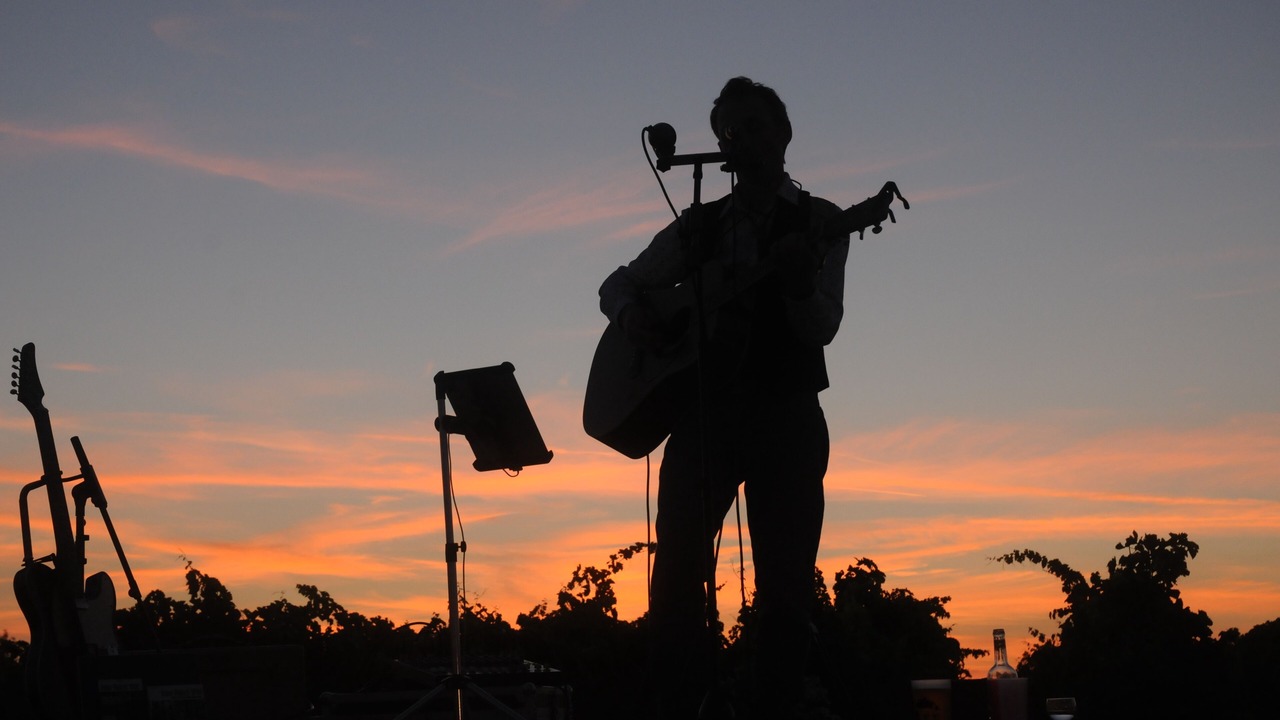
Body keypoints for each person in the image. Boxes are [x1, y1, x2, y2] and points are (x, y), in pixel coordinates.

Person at [597, 77, 892, 719]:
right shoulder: (699, 226)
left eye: (753, 127)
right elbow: (618, 282)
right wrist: (634, 319)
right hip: (705, 416)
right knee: (676, 576)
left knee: (784, 590)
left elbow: (823, 327)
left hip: (786, 416)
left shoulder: (820, 223)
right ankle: (679, 703)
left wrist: (791, 285)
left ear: (784, 135)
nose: (741, 141)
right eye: (729, 132)